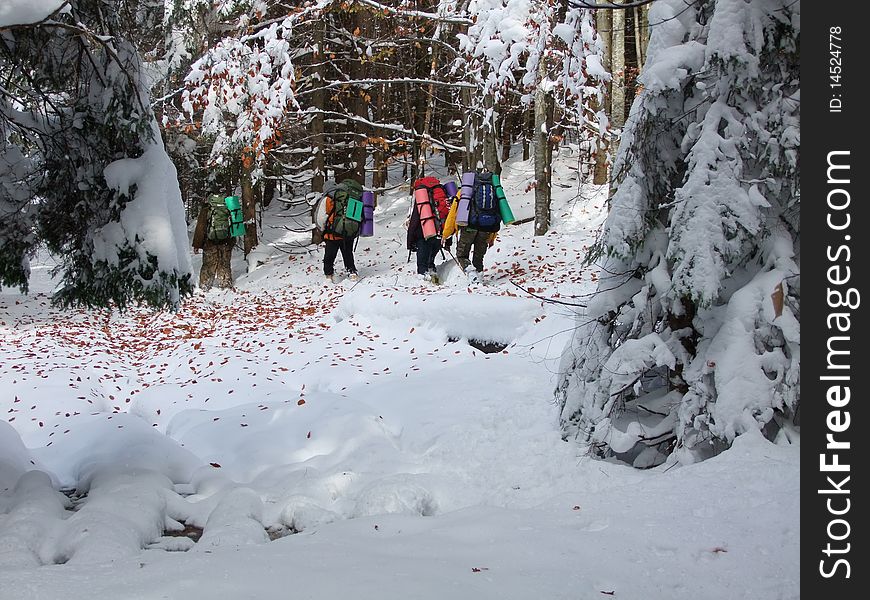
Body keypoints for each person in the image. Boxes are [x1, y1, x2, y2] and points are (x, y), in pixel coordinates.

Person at [406, 176, 451, 283]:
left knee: (423, 254)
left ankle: (423, 275)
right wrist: (448, 239)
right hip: (440, 228)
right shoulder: (441, 190)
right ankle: (431, 269)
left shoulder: (422, 195)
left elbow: (415, 219)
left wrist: (410, 241)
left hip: (424, 231)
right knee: (432, 253)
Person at [321, 178, 362, 283]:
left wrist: (323, 229)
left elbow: (321, 218)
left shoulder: (328, 199)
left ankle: (329, 275)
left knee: (329, 256)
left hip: (332, 233)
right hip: (348, 231)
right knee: (347, 253)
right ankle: (352, 271)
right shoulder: (348, 197)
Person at [192, 195, 235, 291]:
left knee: (208, 265)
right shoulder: (229, 207)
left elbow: (201, 227)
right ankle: (225, 284)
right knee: (224, 264)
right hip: (226, 242)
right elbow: (234, 224)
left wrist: (197, 245)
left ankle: (205, 286)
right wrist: (232, 241)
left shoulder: (207, 209)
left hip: (210, 243)